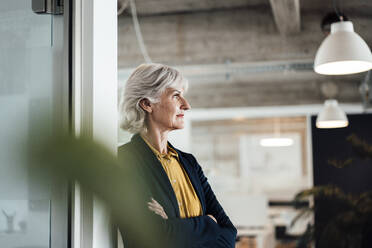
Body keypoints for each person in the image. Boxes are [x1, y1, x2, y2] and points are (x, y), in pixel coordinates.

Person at [118, 63, 237, 248]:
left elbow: (229, 233)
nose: (186, 105)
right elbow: (150, 237)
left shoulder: (189, 162)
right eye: (176, 96)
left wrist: (174, 226)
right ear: (147, 104)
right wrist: (208, 223)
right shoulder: (126, 160)